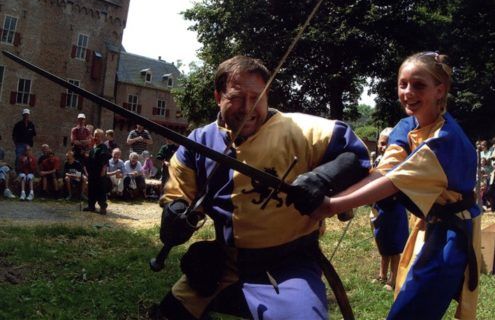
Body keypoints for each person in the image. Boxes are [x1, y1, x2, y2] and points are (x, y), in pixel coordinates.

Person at [153, 55, 370, 320]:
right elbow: (178, 193)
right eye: (236, 97)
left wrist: (322, 178)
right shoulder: (198, 143)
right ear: (217, 97)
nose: (248, 108)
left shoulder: (300, 130)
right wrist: (175, 213)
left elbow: (356, 157)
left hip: (289, 264)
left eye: (256, 97)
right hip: (224, 264)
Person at [307, 52, 481, 320]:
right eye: (403, 84)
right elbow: (385, 170)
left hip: (451, 237)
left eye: (419, 85)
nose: (408, 92)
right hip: (431, 226)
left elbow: (392, 182)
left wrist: (331, 205)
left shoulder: (444, 141)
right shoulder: (408, 124)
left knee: (411, 311)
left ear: (440, 90)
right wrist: (336, 194)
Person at [369, 128, 408, 291]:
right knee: (382, 242)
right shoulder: (378, 161)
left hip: (394, 207)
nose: (384, 147)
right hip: (380, 207)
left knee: (394, 245)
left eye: (388, 144)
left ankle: (393, 279)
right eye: (382, 144)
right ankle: (382, 274)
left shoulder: (399, 163)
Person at [83, 129, 111, 215]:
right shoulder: (93, 147)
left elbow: (105, 161)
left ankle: (103, 207)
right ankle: (91, 206)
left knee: (100, 190)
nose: (95, 137)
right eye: (95, 135)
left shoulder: (103, 147)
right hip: (92, 173)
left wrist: (103, 171)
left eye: (97, 135)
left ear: (101, 137)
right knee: (91, 189)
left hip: (99, 173)